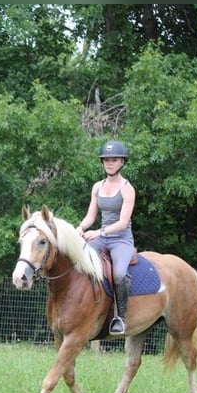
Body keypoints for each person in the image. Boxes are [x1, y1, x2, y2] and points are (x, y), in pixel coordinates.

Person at [75, 140, 136, 334]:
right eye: (106, 160)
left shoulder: (127, 189)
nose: (109, 163)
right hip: (100, 237)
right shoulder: (97, 187)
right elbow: (91, 216)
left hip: (121, 239)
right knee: (79, 263)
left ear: (122, 162)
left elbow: (123, 222)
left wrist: (99, 232)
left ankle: (121, 318)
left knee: (118, 273)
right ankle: (85, 309)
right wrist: (81, 227)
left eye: (114, 159)